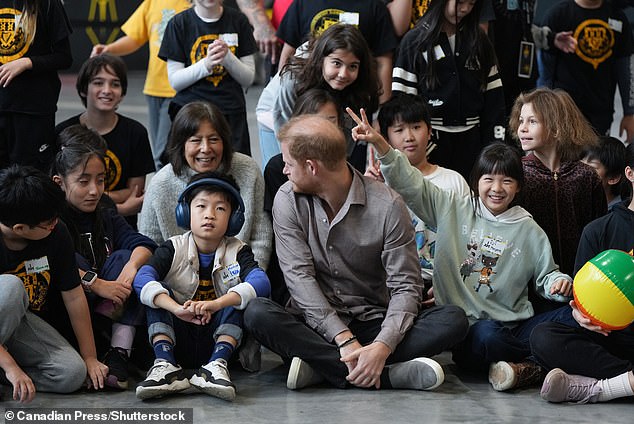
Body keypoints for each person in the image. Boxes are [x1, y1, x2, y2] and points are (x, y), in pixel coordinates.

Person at [349, 107, 575, 392]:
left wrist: (560, 283)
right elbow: (412, 184)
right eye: (488, 179)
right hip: (472, 331)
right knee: (487, 336)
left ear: (518, 187)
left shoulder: (530, 230)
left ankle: (521, 367)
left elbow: (546, 277)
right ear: (475, 181)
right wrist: (381, 144)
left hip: (515, 325)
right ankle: (532, 363)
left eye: (507, 181)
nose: (497, 188)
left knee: (572, 313)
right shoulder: (452, 207)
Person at [244, 115, 469, 392]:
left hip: (374, 322)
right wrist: (343, 338)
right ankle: (386, 376)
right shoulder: (287, 198)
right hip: (317, 326)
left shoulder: (387, 206)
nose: (286, 171)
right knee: (257, 313)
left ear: (312, 167)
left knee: (453, 319)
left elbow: (406, 288)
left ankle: (324, 368)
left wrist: (382, 345)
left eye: (289, 164)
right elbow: (298, 278)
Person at [133, 172, 271, 401]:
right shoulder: (172, 247)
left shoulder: (238, 250)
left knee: (239, 295)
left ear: (233, 219)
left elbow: (261, 282)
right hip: (178, 336)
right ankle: (165, 365)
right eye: (201, 206)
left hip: (218, 338)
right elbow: (142, 279)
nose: (209, 215)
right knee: (156, 292)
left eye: (220, 209)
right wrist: (177, 309)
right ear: (185, 212)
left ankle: (217, 365)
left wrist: (217, 304)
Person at [51, 126, 157, 390]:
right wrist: (96, 283)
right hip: (66, 311)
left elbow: (144, 244)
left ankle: (118, 351)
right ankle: (102, 344)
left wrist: (129, 270)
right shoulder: (51, 219)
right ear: (59, 182)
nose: (94, 190)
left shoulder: (105, 213)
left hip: (110, 305)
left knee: (129, 258)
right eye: (83, 181)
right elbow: (48, 263)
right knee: (76, 261)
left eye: (100, 180)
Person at [531, 142, 634, 404]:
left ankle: (601, 388)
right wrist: (579, 313)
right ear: (630, 174)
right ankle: (626, 381)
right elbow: (579, 296)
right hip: (609, 336)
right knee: (544, 337)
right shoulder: (598, 230)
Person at [0, 165, 108, 403]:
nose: (55, 225)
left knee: (72, 374)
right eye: (48, 223)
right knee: (10, 287)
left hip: (19, 324)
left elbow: (74, 295)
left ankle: (8, 380)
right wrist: (11, 367)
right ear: (19, 228)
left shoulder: (56, 232)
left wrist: (90, 357)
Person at [138, 101, 272, 271]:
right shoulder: (161, 184)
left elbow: (260, 238)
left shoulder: (248, 171)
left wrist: (249, 282)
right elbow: (150, 244)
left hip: (239, 282)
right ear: (181, 145)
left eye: (214, 139)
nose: (205, 148)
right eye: (195, 140)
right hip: (178, 285)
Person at [364, 93, 470, 295]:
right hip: (393, 286)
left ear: (430, 131)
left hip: (443, 282)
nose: (409, 137)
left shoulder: (453, 180)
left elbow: (468, 236)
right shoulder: (376, 182)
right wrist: (370, 190)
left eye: (416, 127)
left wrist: (450, 283)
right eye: (399, 130)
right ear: (385, 138)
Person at [392, 0, 506, 179]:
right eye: (460, 2)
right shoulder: (413, 42)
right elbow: (402, 104)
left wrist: (495, 147)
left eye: (472, 3)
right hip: (429, 144)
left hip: (473, 143)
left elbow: (494, 101)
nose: (465, 9)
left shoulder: (479, 41)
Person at [509, 88, 606, 279]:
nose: (522, 128)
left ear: (557, 127)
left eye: (532, 121)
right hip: (529, 282)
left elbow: (598, 233)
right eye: (521, 120)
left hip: (582, 279)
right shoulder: (516, 174)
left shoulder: (586, 176)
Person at [90, 0, 192, 171]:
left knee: (163, 153)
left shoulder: (195, 4)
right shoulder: (152, 3)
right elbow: (135, 39)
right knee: (162, 153)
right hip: (154, 88)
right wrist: (109, 49)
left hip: (180, 89)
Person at [55, 54, 155, 228]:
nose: (107, 90)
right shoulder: (63, 131)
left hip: (119, 228)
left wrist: (82, 193)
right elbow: (59, 190)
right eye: (98, 82)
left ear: (122, 93)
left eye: (115, 84)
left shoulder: (136, 132)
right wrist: (120, 207)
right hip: (73, 225)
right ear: (84, 89)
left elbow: (135, 192)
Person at [272, 24, 381, 172]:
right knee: (283, 167)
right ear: (321, 59)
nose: (343, 73)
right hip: (279, 114)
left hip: (326, 116)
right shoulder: (293, 79)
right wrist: (295, 165)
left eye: (353, 66)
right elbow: (285, 126)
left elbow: (343, 144)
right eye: (337, 63)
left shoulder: (359, 87)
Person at [158, 0, 258, 155]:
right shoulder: (179, 23)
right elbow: (175, 81)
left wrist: (228, 58)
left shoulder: (238, 21)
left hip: (230, 111)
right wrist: (207, 63)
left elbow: (248, 78)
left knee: (235, 169)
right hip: (191, 112)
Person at [537, 0, 634, 140]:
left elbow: (625, 70)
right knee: (565, 159)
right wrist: (542, 110)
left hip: (601, 111)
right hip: (562, 110)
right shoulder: (558, 15)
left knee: (595, 160)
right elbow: (545, 72)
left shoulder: (617, 16)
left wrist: (629, 113)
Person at [275, 0, 399, 104]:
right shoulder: (303, 3)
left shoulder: (375, 7)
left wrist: (382, 109)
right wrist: (280, 87)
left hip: (352, 93)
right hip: (307, 91)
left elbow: (383, 62)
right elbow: (288, 51)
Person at [0, 0, 72, 171]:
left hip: (33, 112)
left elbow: (64, 57)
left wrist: (27, 63)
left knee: (29, 179)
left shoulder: (47, 4)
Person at [582, 136, 627, 211]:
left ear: (613, 178)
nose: (580, 171)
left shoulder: (617, 215)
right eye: (580, 164)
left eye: (591, 167)